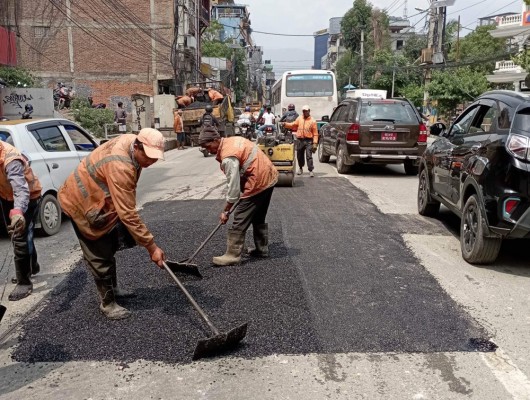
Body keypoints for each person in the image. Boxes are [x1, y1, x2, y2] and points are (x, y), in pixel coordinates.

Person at [58, 128, 167, 320]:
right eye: (149, 157)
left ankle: (113, 289)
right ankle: (107, 303)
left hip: (100, 200)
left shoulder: (131, 144)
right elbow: (128, 213)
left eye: (155, 158)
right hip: (81, 203)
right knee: (99, 253)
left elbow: (126, 202)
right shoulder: (120, 165)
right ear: (137, 147)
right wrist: (152, 247)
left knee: (110, 244)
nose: (151, 162)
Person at [198, 132, 278, 266]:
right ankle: (262, 249)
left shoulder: (228, 157)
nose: (208, 150)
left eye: (208, 146)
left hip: (258, 181)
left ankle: (232, 255)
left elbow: (233, 190)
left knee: (240, 216)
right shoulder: (232, 140)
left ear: (216, 140)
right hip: (269, 175)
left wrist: (226, 211)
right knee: (258, 215)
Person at [0, 141, 42, 301]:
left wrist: (17, 213)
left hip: (28, 197)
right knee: (24, 235)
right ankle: (32, 266)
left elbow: (21, 190)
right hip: (6, 195)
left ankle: (24, 283)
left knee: (19, 236)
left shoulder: (11, 160)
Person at [282, 105, 318, 177]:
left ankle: (310, 170)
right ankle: (300, 168)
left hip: (309, 141)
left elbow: (315, 133)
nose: (304, 112)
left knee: (309, 156)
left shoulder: (313, 121)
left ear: (309, 111)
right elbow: (293, 125)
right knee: (299, 156)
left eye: (306, 111)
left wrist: (315, 143)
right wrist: (285, 124)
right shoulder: (299, 118)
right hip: (300, 140)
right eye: (303, 111)